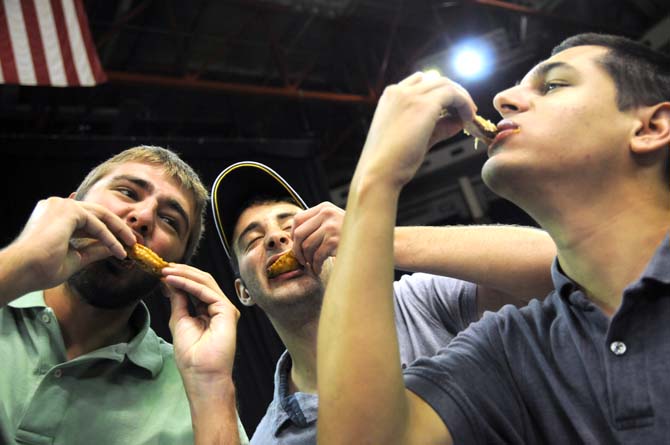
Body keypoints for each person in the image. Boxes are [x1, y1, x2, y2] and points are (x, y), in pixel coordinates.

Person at [316, 33, 670, 444]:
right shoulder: (513, 353)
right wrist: (376, 179)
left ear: (651, 127)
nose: (503, 98)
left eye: (553, 85)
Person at [210, 161, 557, 444]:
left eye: (293, 226)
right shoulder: (271, 439)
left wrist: (373, 236)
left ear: (334, 251)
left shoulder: (415, 303)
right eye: (253, 240)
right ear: (244, 292)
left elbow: (555, 267)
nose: (276, 237)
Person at [0, 146, 248, 445]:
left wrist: (211, 383)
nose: (142, 217)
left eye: (170, 220)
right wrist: (23, 261)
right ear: (73, 205)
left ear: (175, 266)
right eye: (127, 192)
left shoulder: (191, 386)